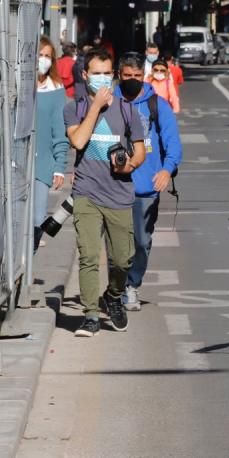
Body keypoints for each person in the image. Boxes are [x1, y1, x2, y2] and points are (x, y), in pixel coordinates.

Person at [64, 48, 147, 337]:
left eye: (106, 73)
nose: (102, 78)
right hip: (87, 192)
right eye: (95, 73)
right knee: (88, 256)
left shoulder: (127, 110)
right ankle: (89, 315)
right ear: (85, 76)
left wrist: (129, 166)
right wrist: (95, 107)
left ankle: (113, 296)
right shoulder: (74, 108)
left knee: (123, 260)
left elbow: (139, 151)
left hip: (120, 194)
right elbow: (78, 140)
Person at [114, 54, 182, 311]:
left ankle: (132, 284)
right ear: (119, 75)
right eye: (127, 76)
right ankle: (116, 288)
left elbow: (172, 142)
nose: (132, 81)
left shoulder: (157, 104)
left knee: (141, 241)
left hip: (146, 187)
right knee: (116, 243)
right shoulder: (109, 102)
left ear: (144, 76)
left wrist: (166, 170)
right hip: (112, 184)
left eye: (137, 76)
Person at [34, 37, 69, 250]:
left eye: (48, 56)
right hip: (13, 164)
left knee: (38, 219)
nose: (44, 60)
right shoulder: (15, 84)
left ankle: (24, 270)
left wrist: (59, 167)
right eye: (40, 55)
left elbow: (59, 131)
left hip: (43, 165)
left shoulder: (56, 89)